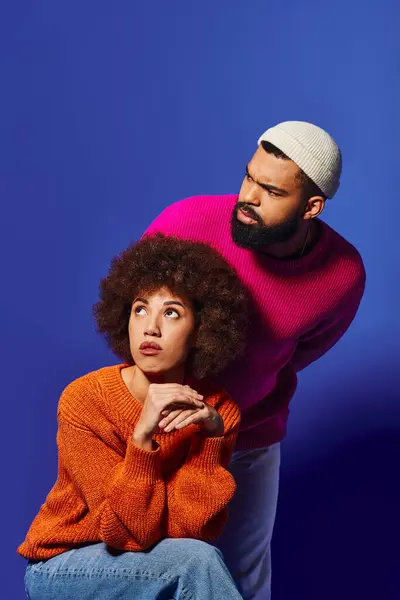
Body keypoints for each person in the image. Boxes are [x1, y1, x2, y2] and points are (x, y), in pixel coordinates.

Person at [143, 120, 366, 599]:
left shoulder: (342, 274)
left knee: (242, 578)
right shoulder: (186, 222)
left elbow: (301, 351)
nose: (248, 197)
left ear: (312, 207)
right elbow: (135, 316)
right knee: (145, 570)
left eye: (270, 191)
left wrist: (240, 397)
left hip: (249, 437)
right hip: (155, 426)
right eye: (248, 177)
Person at [18, 234, 248, 600]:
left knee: (195, 558)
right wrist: (141, 439)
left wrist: (209, 443)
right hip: (63, 566)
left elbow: (190, 531)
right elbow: (125, 533)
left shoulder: (216, 410)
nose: (150, 327)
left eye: (171, 312)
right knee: (195, 564)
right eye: (140, 309)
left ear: (200, 332)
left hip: (149, 563)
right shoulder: (84, 399)